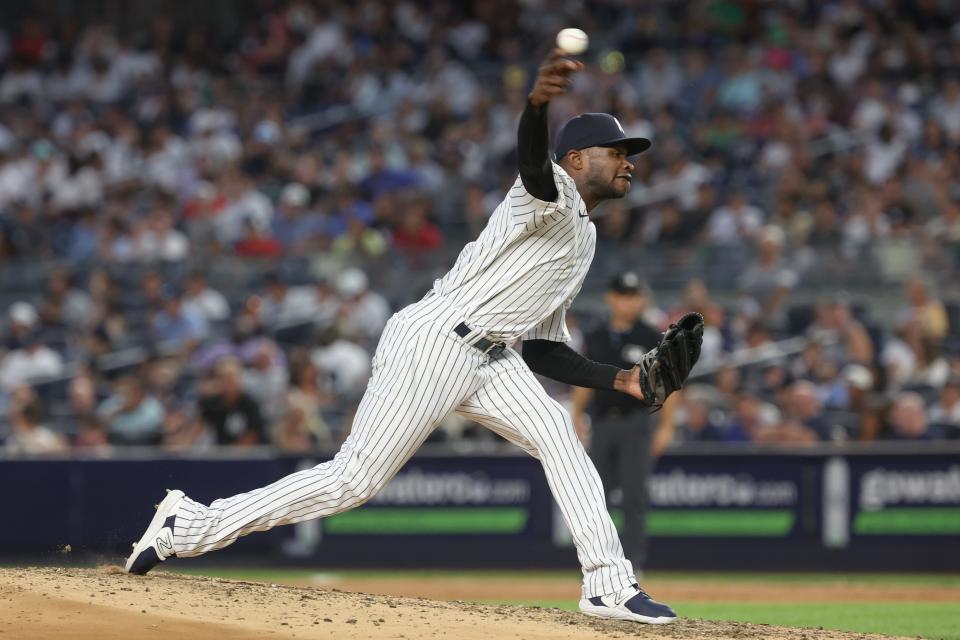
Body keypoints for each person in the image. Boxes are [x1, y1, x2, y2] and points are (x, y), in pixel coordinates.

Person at [125, 49, 680, 625]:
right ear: (576, 158)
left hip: (494, 357)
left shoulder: (584, 240)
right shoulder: (550, 192)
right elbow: (536, 165)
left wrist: (624, 379)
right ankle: (188, 525)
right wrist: (536, 105)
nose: (628, 163)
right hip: (437, 339)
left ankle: (608, 584)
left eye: (628, 154)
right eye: (615, 152)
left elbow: (542, 348)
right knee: (352, 481)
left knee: (560, 433)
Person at [570, 272, 676, 577]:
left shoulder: (652, 337)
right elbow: (584, 376)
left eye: (632, 296)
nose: (627, 302)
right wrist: (577, 413)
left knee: (634, 496)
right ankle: (598, 562)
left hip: (636, 422)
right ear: (610, 297)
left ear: (641, 299)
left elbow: (670, 383)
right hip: (602, 421)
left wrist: (667, 426)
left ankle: (632, 565)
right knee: (594, 496)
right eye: (621, 295)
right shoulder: (596, 334)